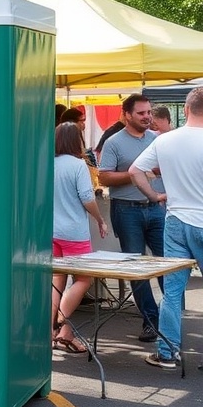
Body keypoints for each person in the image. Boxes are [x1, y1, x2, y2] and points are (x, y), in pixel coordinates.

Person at [129, 87, 203, 369]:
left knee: (171, 292)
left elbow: (136, 170)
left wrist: (154, 196)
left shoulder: (165, 140)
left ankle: (167, 352)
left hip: (176, 221)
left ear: (185, 110)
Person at [98, 94, 165, 343]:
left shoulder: (157, 140)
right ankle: (151, 320)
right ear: (127, 115)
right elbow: (104, 177)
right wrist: (136, 174)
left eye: (149, 112)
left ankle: (169, 321)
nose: (147, 116)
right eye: (141, 113)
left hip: (156, 208)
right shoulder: (114, 142)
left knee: (167, 265)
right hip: (126, 209)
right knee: (135, 268)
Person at [51, 123, 108, 353]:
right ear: (78, 141)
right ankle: (61, 322)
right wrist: (100, 219)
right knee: (84, 280)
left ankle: (55, 333)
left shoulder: (47, 164)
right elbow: (87, 198)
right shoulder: (78, 165)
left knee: (56, 282)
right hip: (75, 233)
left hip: (51, 231)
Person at [59, 107, 100, 192]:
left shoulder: (77, 136)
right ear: (72, 122)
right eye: (82, 120)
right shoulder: (69, 140)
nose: (83, 124)